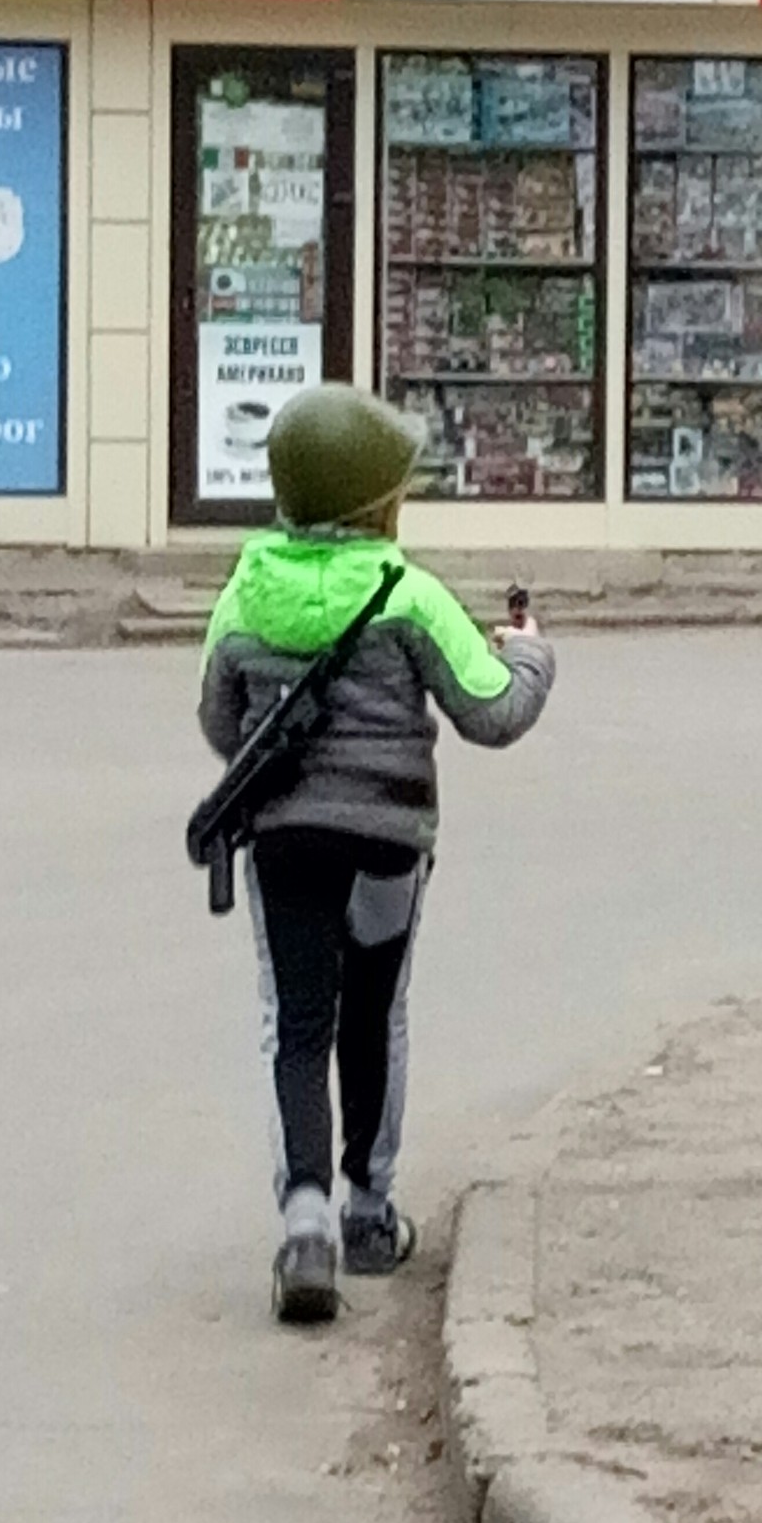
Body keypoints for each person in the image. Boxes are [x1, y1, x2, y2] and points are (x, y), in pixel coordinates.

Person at [199, 384, 554, 1322]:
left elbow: (218, 721)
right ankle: (368, 1209)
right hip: (391, 845)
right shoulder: (410, 593)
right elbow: (493, 713)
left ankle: (304, 1224)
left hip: (284, 844)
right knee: (376, 1011)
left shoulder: (244, 591)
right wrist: (530, 653)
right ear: (373, 501)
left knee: (296, 1023)